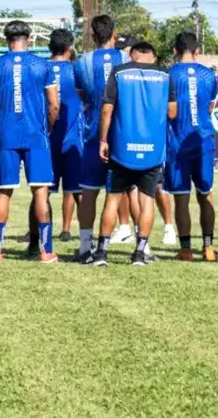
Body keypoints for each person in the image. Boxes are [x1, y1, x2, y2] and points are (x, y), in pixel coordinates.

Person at [91, 40, 176, 267]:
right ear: (153, 56)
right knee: (147, 200)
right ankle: (139, 253)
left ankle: (101, 253)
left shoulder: (120, 73)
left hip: (122, 148)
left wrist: (102, 140)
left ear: (131, 55)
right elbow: (172, 112)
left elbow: (107, 109)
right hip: (153, 148)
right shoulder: (165, 75)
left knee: (113, 199)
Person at [0, 20, 60, 264]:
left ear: (7, 39)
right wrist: (47, 127)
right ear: (28, 38)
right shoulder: (42, 65)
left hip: (6, 135)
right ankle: (45, 250)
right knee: (40, 191)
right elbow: (54, 104)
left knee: (3, 192)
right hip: (36, 135)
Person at [73, 15, 125, 261]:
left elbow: (83, 96)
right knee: (130, 190)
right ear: (114, 33)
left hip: (94, 133)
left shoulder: (82, 62)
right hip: (122, 134)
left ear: (93, 36)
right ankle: (140, 246)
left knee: (89, 191)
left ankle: (85, 247)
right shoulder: (127, 60)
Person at [165, 33, 217, 262]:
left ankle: (186, 249)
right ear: (197, 51)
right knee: (206, 195)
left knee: (181, 198)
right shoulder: (209, 75)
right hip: (203, 141)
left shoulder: (170, 74)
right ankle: (208, 247)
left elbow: (170, 112)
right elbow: (209, 108)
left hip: (178, 144)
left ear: (175, 50)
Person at [48, 28, 82, 244]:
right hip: (72, 137)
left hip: (47, 137)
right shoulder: (76, 70)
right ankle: (71, 230)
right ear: (70, 49)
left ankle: (39, 230)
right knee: (75, 190)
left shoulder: (42, 68)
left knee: (42, 190)